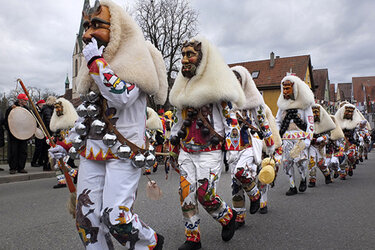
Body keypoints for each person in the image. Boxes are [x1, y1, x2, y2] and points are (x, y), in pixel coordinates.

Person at [49, 0, 167, 249]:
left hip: (125, 153)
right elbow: (88, 114)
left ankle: (151, 243)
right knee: (86, 222)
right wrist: (68, 146)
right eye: (86, 26)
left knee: (117, 219)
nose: (88, 34)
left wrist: (95, 63)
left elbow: (121, 95)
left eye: (96, 25)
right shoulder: (95, 67)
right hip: (92, 152)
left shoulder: (136, 59)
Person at [168, 36, 246, 250]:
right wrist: (172, 147)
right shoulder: (181, 88)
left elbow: (231, 119)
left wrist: (232, 149)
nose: (185, 59)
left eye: (190, 54)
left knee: (205, 194)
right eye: (183, 55)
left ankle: (227, 216)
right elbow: (177, 120)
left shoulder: (217, 85)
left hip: (210, 151)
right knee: (185, 193)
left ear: (202, 58)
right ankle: (193, 238)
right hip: (186, 150)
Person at [228, 65, 275, 226]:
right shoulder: (225, 101)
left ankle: (255, 196)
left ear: (244, 80)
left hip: (249, 144)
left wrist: (270, 145)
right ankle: (239, 217)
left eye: (237, 78)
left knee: (242, 172)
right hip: (232, 147)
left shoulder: (255, 99)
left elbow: (264, 123)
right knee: (235, 184)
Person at [275, 74, 315, 196]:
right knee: (287, 164)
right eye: (284, 88)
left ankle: (303, 178)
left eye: (288, 88)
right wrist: (277, 137)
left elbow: (310, 123)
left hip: (300, 139)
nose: (285, 91)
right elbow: (277, 121)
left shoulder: (305, 104)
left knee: (301, 162)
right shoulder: (282, 106)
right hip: (286, 139)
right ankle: (292, 186)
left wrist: (308, 139)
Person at [49, 98, 78, 189]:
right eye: (56, 108)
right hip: (59, 145)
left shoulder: (71, 123)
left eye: (59, 107)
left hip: (67, 147)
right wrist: (52, 139)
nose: (57, 110)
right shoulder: (58, 123)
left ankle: (75, 174)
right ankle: (62, 181)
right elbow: (57, 136)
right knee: (56, 164)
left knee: (60, 164)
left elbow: (70, 137)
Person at [307, 104, 336, 187]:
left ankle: (327, 175)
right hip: (312, 145)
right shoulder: (308, 122)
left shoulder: (324, 122)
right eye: (313, 112)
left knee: (321, 163)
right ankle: (312, 180)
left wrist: (323, 137)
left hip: (321, 145)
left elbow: (328, 134)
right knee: (311, 162)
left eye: (316, 112)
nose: (315, 114)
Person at [4, 93, 30, 174]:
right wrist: (11, 130)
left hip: (23, 133)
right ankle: (13, 168)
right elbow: (7, 120)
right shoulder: (11, 108)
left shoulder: (27, 109)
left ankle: (21, 167)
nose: (26, 102)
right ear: (20, 100)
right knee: (13, 151)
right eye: (25, 100)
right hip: (14, 133)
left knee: (23, 151)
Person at [334, 103, 362, 179]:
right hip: (341, 142)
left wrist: (361, 125)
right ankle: (343, 172)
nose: (349, 113)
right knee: (341, 156)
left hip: (351, 142)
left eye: (351, 112)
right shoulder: (338, 120)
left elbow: (359, 128)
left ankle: (350, 166)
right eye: (347, 111)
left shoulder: (355, 122)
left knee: (351, 156)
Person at [40, 96, 56, 171]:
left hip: (46, 130)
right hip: (48, 131)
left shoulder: (46, 109)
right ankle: (47, 165)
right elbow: (48, 120)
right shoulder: (48, 109)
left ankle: (47, 164)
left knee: (46, 149)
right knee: (48, 149)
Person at [31, 99, 45, 167]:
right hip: (38, 129)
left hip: (41, 130)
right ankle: (34, 161)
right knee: (38, 147)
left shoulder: (41, 111)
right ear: (39, 105)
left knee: (42, 147)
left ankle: (40, 161)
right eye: (43, 105)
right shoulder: (35, 111)